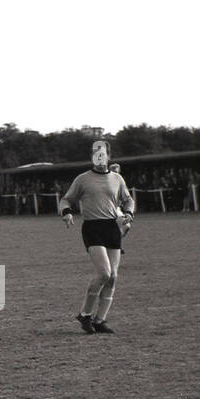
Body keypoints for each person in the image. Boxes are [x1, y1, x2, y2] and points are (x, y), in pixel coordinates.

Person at [59, 139, 134, 335]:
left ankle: (100, 320)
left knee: (113, 277)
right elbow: (66, 198)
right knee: (104, 273)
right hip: (92, 227)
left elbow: (128, 200)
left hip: (112, 227)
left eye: (103, 152)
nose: (99, 155)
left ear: (109, 156)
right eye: (95, 152)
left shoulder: (117, 179)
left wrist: (129, 213)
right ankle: (85, 315)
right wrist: (66, 212)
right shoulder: (82, 179)